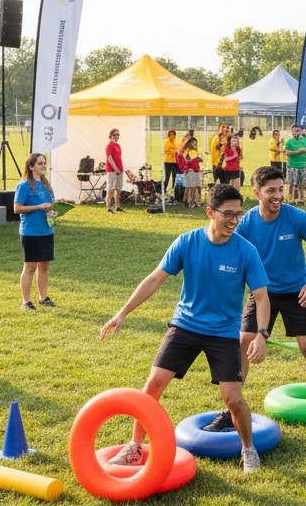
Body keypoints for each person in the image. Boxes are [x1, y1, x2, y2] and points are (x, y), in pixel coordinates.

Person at [101, 184, 270, 472]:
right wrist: (122, 313)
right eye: (227, 214)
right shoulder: (187, 242)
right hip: (186, 325)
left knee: (232, 398)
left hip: (223, 331)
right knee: (152, 387)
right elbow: (154, 279)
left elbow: (262, 296)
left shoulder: (246, 251)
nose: (234, 220)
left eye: (238, 214)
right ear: (210, 212)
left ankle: (248, 449)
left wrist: (262, 334)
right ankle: (134, 447)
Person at [225, 167, 306, 421]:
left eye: (281, 189)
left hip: (297, 290)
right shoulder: (247, 223)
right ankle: (235, 400)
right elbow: (233, 257)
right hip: (263, 292)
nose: (278, 195)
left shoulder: (296, 217)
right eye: (271, 190)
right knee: (243, 342)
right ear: (256, 193)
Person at [14, 152, 58, 310]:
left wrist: (54, 213)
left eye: (44, 163)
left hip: (47, 231)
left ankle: (43, 298)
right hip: (30, 233)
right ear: (31, 167)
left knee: (44, 266)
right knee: (30, 267)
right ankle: (26, 302)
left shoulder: (46, 184)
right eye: (40, 163)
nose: (44, 165)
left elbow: (51, 205)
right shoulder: (24, 185)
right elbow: (17, 208)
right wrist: (39, 207)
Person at [283, 125, 306, 206]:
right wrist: (298, 151)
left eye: (298, 131)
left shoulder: (303, 141)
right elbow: (287, 152)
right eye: (295, 131)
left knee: (301, 183)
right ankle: (291, 198)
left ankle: (300, 198)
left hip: (302, 165)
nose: (297, 133)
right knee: (292, 183)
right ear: (292, 132)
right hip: (293, 165)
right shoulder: (289, 142)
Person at [105, 128, 129, 213]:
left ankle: (117, 206)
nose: (116, 136)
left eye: (118, 134)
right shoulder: (109, 145)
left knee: (118, 189)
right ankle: (108, 206)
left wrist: (120, 169)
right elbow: (110, 158)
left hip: (120, 169)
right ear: (111, 136)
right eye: (114, 135)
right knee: (111, 188)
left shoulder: (118, 145)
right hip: (112, 170)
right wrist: (115, 169)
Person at [182, 136, 204, 208]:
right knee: (191, 187)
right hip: (191, 170)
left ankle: (194, 201)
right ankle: (190, 201)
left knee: (195, 186)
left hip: (196, 170)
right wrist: (196, 159)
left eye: (195, 143)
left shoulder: (194, 151)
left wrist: (198, 159)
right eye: (193, 143)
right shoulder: (188, 151)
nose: (194, 145)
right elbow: (188, 161)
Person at [163, 129, 180, 200]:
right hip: (167, 161)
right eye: (172, 135)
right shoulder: (166, 141)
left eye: (174, 135)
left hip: (175, 161)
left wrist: (173, 150)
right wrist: (173, 150)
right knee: (167, 176)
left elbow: (178, 150)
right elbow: (166, 149)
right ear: (169, 135)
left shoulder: (176, 142)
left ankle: (174, 191)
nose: (173, 136)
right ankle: (163, 190)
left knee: (174, 177)